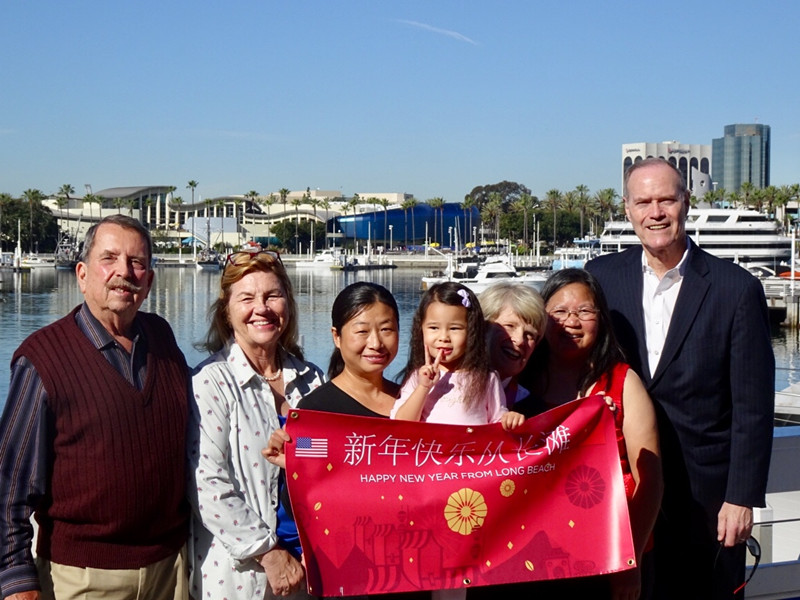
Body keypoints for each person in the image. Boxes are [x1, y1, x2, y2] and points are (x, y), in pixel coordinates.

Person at [585, 157, 774, 599]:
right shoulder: (601, 278)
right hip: (620, 494)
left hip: (706, 501)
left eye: (666, 200)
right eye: (643, 202)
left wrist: (741, 497)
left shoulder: (735, 288)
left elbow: (753, 407)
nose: (656, 212)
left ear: (686, 202)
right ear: (627, 208)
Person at [0, 214, 190, 600]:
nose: (124, 272)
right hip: (83, 577)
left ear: (150, 281)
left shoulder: (163, 340)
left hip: (171, 571)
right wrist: (16, 580)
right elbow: (9, 483)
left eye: (137, 262)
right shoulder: (42, 359)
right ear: (82, 275)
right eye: (109, 258)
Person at [263, 281, 429, 600]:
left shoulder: (413, 400)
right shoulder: (316, 412)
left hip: (411, 568)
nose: (376, 343)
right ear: (336, 337)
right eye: (362, 331)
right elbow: (300, 496)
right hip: (347, 574)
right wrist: (292, 458)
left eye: (387, 329)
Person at [512, 268, 662, 599]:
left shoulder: (623, 383)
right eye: (559, 312)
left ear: (601, 318)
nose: (572, 322)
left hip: (610, 551)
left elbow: (650, 481)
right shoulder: (518, 383)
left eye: (584, 311)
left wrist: (630, 560)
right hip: (532, 555)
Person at [187, 248, 324, 600]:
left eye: (272, 295)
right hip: (239, 579)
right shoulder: (210, 382)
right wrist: (269, 554)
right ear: (226, 310)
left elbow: (328, 465)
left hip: (311, 570)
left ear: (288, 303)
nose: (261, 308)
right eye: (246, 298)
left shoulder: (312, 380)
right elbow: (207, 485)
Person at [393, 281, 525, 430]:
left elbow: (498, 422)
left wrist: (510, 419)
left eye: (455, 328)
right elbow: (400, 423)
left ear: (471, 332)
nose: (444, 337)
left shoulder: (486, 378)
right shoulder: (418, 377)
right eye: (434, 327)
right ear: (421, 329)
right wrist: (423, 387)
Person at [477, 282, 546, 406]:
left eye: (529, 334)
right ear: (483, 327)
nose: (520, 340)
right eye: (510, 326)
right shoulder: (444, 388)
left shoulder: (532, 408)